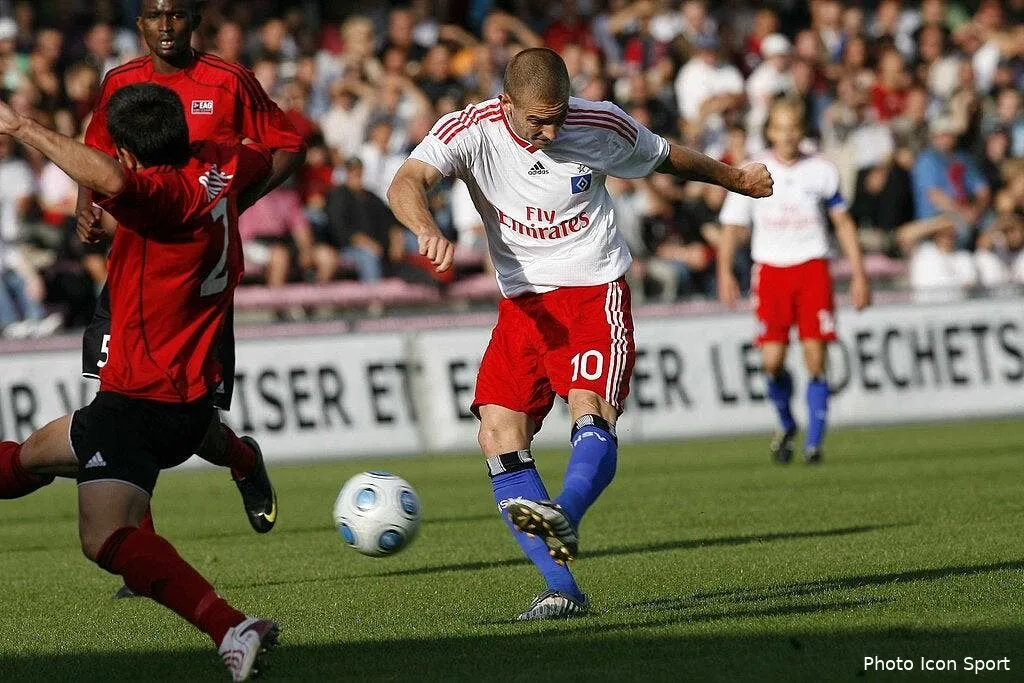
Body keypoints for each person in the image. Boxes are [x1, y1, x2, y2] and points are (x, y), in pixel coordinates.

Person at [388, 47, 772, 620]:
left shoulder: (601, 123)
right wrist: (426, 226)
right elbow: (407, 180)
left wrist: (736, 178)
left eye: (557, 115)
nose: (549, 128)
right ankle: (562, 589)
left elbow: (668, 158)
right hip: (522, 302)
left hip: (594, 293)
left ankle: (564, 509)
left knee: (589, 406)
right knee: (497, 434)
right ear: (506, 103)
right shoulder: (470, 130)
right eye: (536, 118)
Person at [0, 83, 279, 682]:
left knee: (104, 538)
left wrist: (23, 128)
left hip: (139, 399)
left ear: (126, 154)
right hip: (188, 396)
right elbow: (271, 148)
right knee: (31, 458)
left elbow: (119, 183)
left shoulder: (158, 196)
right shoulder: (224, 167)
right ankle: (242, 462)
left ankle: (231, 627)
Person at [43, 0, 306, 561]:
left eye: (178, 15)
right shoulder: (121, 82)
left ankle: (239, 458)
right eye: (155, 15)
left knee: (189, 419)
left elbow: (286, 145)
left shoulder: (229, 80)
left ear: (195, 21)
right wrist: (85, 206)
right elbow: (95, 155)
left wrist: (233, 202)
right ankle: (138, 547)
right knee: (118, 399)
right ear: (139, 24)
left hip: (195, 287)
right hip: (133, 271)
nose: (166, 26)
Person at [716, 98, 871, 465]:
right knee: (772, 361)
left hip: (812, 268)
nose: (787, 134)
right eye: (780, 127)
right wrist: (724, 270)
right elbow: (732, 225)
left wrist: (860, 275)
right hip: (770, 271)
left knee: (815, 357)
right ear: (770, 131)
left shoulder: (821, 169)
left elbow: (843, 223)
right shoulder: (753, 169)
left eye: (793, 127)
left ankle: (814, 443)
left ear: (802, 131)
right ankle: (786, 422)